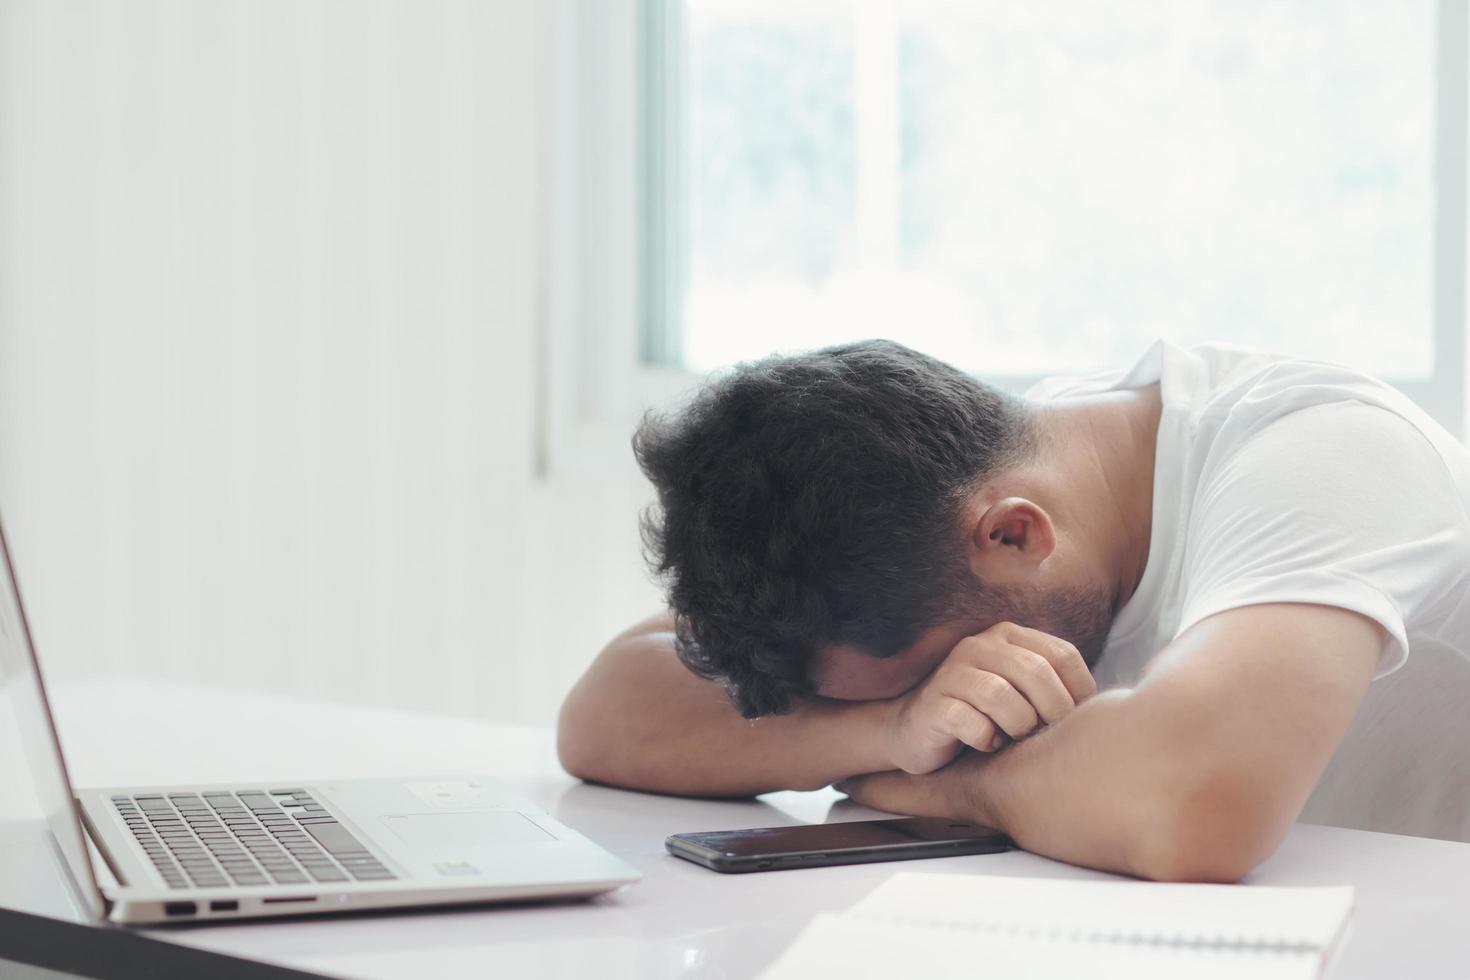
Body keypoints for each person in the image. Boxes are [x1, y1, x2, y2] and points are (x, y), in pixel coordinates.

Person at [557, 338, 1470, 882]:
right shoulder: (992, 485)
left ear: (1014, 536)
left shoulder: (1322, 456)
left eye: (935, 675)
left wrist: (936, 785)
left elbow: (1196, 806)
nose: (957, 714)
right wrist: (888, 727)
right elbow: (604, 716)